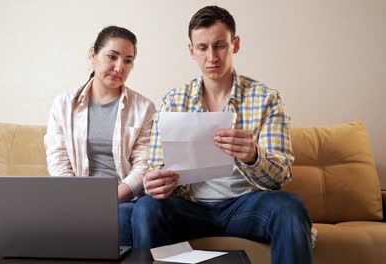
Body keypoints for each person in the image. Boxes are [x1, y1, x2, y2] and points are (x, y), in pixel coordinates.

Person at [131, 6, 314, 263]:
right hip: (191, 207)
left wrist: (253, 156)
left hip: (246, 206)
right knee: (146, 208)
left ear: (235, 44)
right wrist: (156, 182)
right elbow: (156, 167)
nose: (212, 56)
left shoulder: (266, 99)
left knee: (290, 207)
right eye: (203, 48)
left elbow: (280, 175)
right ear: (191, 51)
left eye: (220, 45)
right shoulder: (173, 100)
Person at [44, 26, 156, 247]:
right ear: (93, 55)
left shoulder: (144, 108)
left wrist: (108, 199)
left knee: (120, 218)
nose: (119, 67)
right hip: (75, 200)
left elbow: (144, 164)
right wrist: (81, 200)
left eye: (128, 61)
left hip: (123, 200)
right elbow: (58, 160)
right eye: (112, 57)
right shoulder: (64, 105)